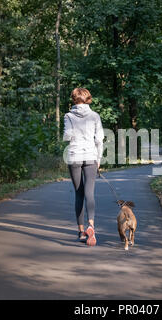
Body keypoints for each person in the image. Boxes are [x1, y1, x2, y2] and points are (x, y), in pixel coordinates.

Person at [63, 88, 104, 246]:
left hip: (74, 156)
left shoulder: (68, 115)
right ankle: (91, 225)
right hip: (91, 156)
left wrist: (71, 135)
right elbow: (99, 139)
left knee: (79, 194)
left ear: (74, 99)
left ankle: (81, 232)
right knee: (90, 193)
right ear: (87, 99)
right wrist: (98, 158)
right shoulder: (95, 116)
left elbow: (67, 136)